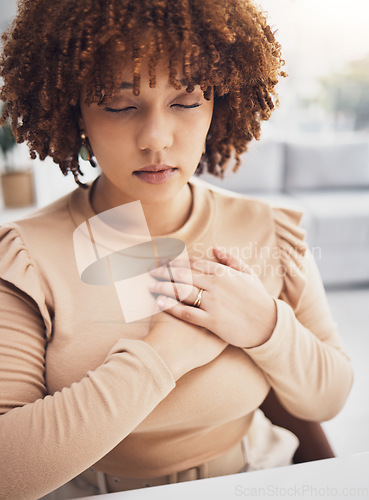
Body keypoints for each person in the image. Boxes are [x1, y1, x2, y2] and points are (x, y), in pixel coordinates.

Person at [0, 0, 353, 498]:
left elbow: (330, 397)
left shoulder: (271, 230)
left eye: (186, 102)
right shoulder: (25, 256)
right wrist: (160, 358)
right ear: (74, 110)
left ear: (220, 103)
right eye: (120, 106)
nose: (156, 139)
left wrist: (266, 327)